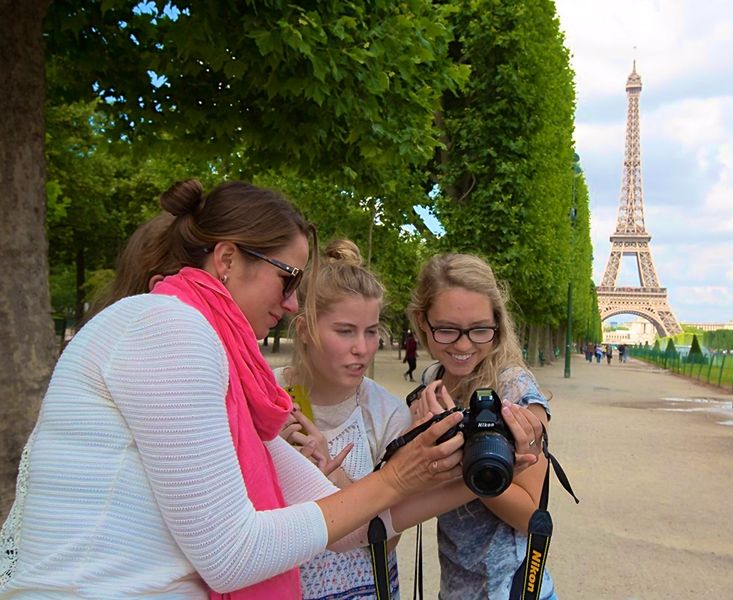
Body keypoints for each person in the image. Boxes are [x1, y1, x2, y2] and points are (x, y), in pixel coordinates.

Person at [0, 180, 545, 599]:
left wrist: (477, 469)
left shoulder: (230, 367)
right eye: (287, 279)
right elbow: (232, 554)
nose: (290, 303)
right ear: (228, 258)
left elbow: (343, 524)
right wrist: (399, 476)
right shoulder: (169, 327)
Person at [406, 253, 558, 600]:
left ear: (498, 324)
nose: (462, 345)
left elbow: (529, 516)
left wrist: (464, 460)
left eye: (479, 330)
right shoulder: (432, 381)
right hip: (455, 589)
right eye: (446, 330)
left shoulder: (516, 390)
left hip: (511, 591)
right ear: (422, 321)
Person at [274, 240, 411, 599]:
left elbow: (388, 541)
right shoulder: (265, 394)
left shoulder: (386, 413)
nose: (363, 349)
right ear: (304, 329)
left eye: (371, 331)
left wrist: (335, 478)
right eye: (345, 331)